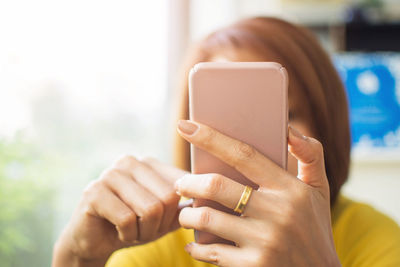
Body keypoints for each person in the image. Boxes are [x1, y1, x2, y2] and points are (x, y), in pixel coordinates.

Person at [52, 17, 400, 267]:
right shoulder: (161, 240)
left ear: (326, 124)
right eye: (224, 122)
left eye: (285, 114)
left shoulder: (374, 239)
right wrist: (77, 258)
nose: (241, 149)